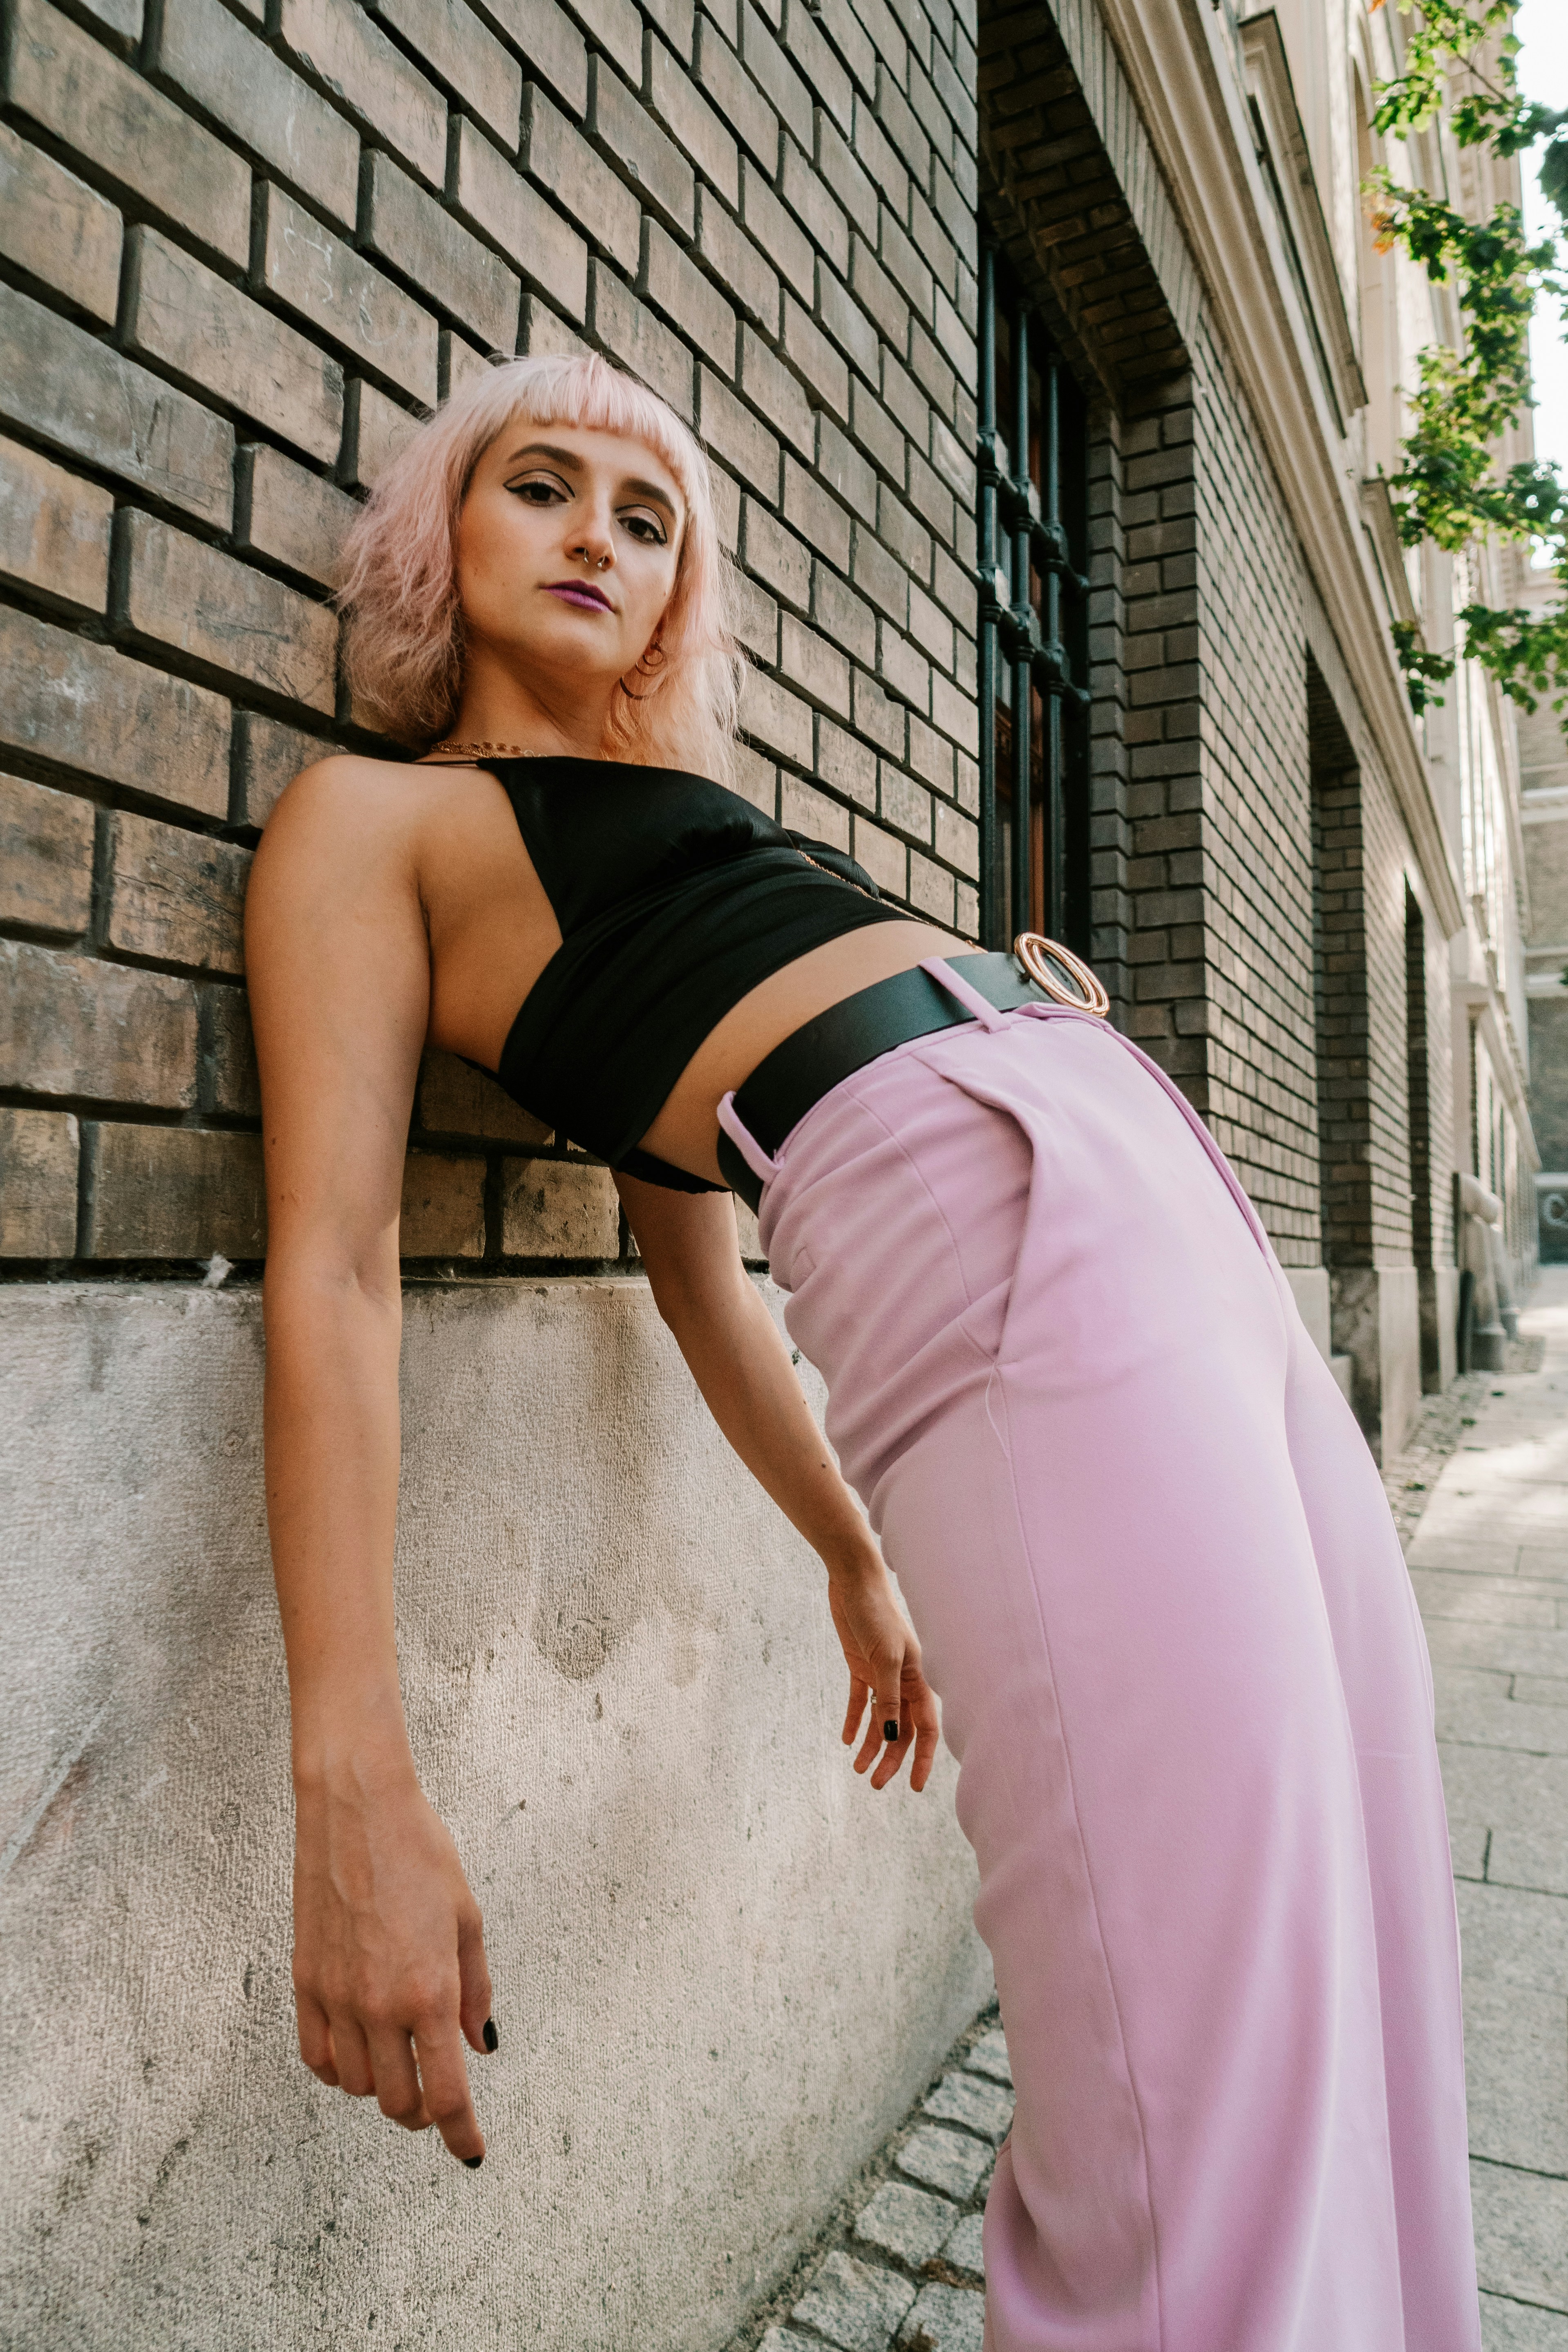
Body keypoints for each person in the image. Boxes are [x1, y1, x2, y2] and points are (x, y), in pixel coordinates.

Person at [246, 352, 1479, 2350]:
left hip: (1145, 1171)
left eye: (650, 522)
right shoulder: (376, 823)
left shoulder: (688, 825)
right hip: (957, 1187)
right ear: (437, 533)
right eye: (542, 485)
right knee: (1203, 2038)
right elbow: (335, 1269)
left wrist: (850, 1550)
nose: (600, 536)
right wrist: (352, 1767)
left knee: (1371, 1892)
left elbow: (695, 1272)